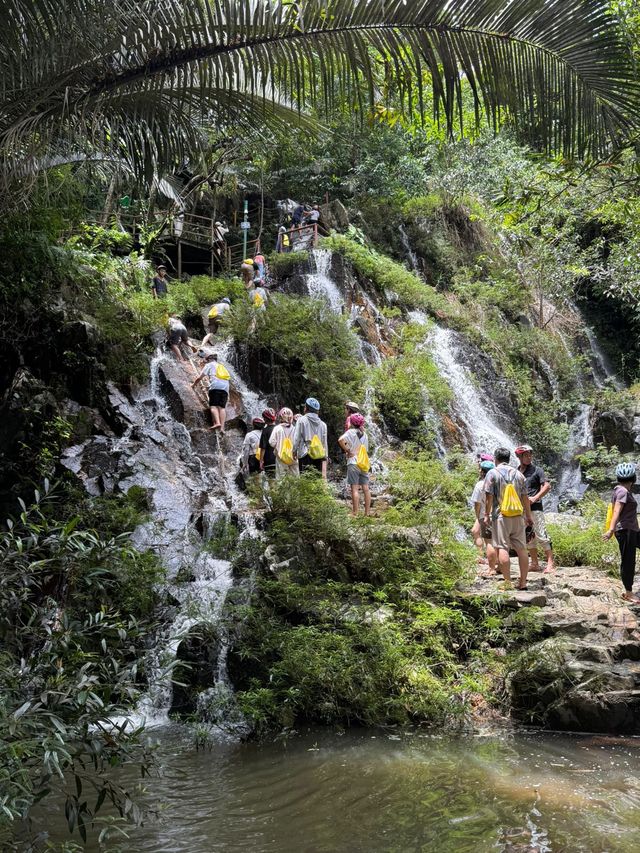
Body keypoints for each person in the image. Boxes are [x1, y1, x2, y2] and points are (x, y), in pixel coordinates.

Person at [483, 447, 534, 591]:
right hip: (518, 516)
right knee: (522, 549)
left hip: (501, 516)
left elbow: (489, 497)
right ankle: (523, 582)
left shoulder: (492, 473)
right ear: (509, 459)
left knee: (503, 548)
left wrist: (486, 515)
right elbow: (525, 497)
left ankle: (507, 582)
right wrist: (528, 516)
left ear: (495, 459)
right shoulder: (519, 474)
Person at [515, 444, 556, 574]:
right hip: (522, 509)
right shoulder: (517, 471)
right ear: (519, 456)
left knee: (541, 534)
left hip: (535, 508)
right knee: (529, 536)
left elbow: (547, 486)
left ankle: (551, 563)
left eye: (530, 454)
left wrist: (535, 497)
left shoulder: (537, 470)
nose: (529, 457)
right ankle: (534, 563)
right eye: (526, 455)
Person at [603, 462, 640, 603]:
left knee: (628, 559)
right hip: (625, 531)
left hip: (632, 530)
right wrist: (611, 529)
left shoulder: (619, 490)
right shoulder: (623, 492)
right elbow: (616, 511)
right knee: (628, 560)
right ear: (634, 478)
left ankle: (629, 591)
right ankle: (629, 593)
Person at [338, 413, 371, 517]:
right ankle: (367, 513)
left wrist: (348, 450)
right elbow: (366, 449)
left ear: (351, 422)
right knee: (366, 488)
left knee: (355, 488)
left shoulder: (350, 432)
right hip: (363, 463)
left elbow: (340, 440)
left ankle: (355, 513)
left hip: (353, 462)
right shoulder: (365, 435)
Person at [191, 352, 230, 433]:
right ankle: (222, 428)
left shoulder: (209, 365)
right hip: (225, 388)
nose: (206, 361)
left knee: (213, 406)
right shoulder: (222, 366)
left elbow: (200, 377)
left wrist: (193, 385)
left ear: (209, 359)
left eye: (207, 359)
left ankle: (217, 423)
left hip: (216, 386)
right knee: (222, 408)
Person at [470, 460, 498, 575]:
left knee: (489, 542)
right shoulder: (498, 482)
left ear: (482, 471)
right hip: (500, 515)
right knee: (500, 542)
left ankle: (491, 568)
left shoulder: (480, 484)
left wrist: (478, 516)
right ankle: (499, 566)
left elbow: (477, 503)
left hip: (485, 516)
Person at [294, 397, 328, 478]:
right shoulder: (323, 424)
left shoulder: (301, 420)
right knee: (316, 478)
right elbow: (324, 442)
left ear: (307, 408)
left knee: (305, 479)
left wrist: (294, 450)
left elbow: (296, 437)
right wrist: (325, 456)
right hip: (318, 454)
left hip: (305, 453)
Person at [269, 407, 299, 480]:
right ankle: (294, 491)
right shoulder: (295, 429)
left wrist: (278, 446)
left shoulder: (277, 428)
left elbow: (271, 442)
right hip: (293, 457)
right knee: (295, 478)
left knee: (281, 479)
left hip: (281, 457)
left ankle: (283, 491)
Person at [258, 408, 277, 478]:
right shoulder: (279, 428)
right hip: (279, 458)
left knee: (271, 480)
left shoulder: (265, 431)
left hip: (269, 460)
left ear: (266, 418)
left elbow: (263, 448)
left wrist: (261, 461)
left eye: (264, 417)